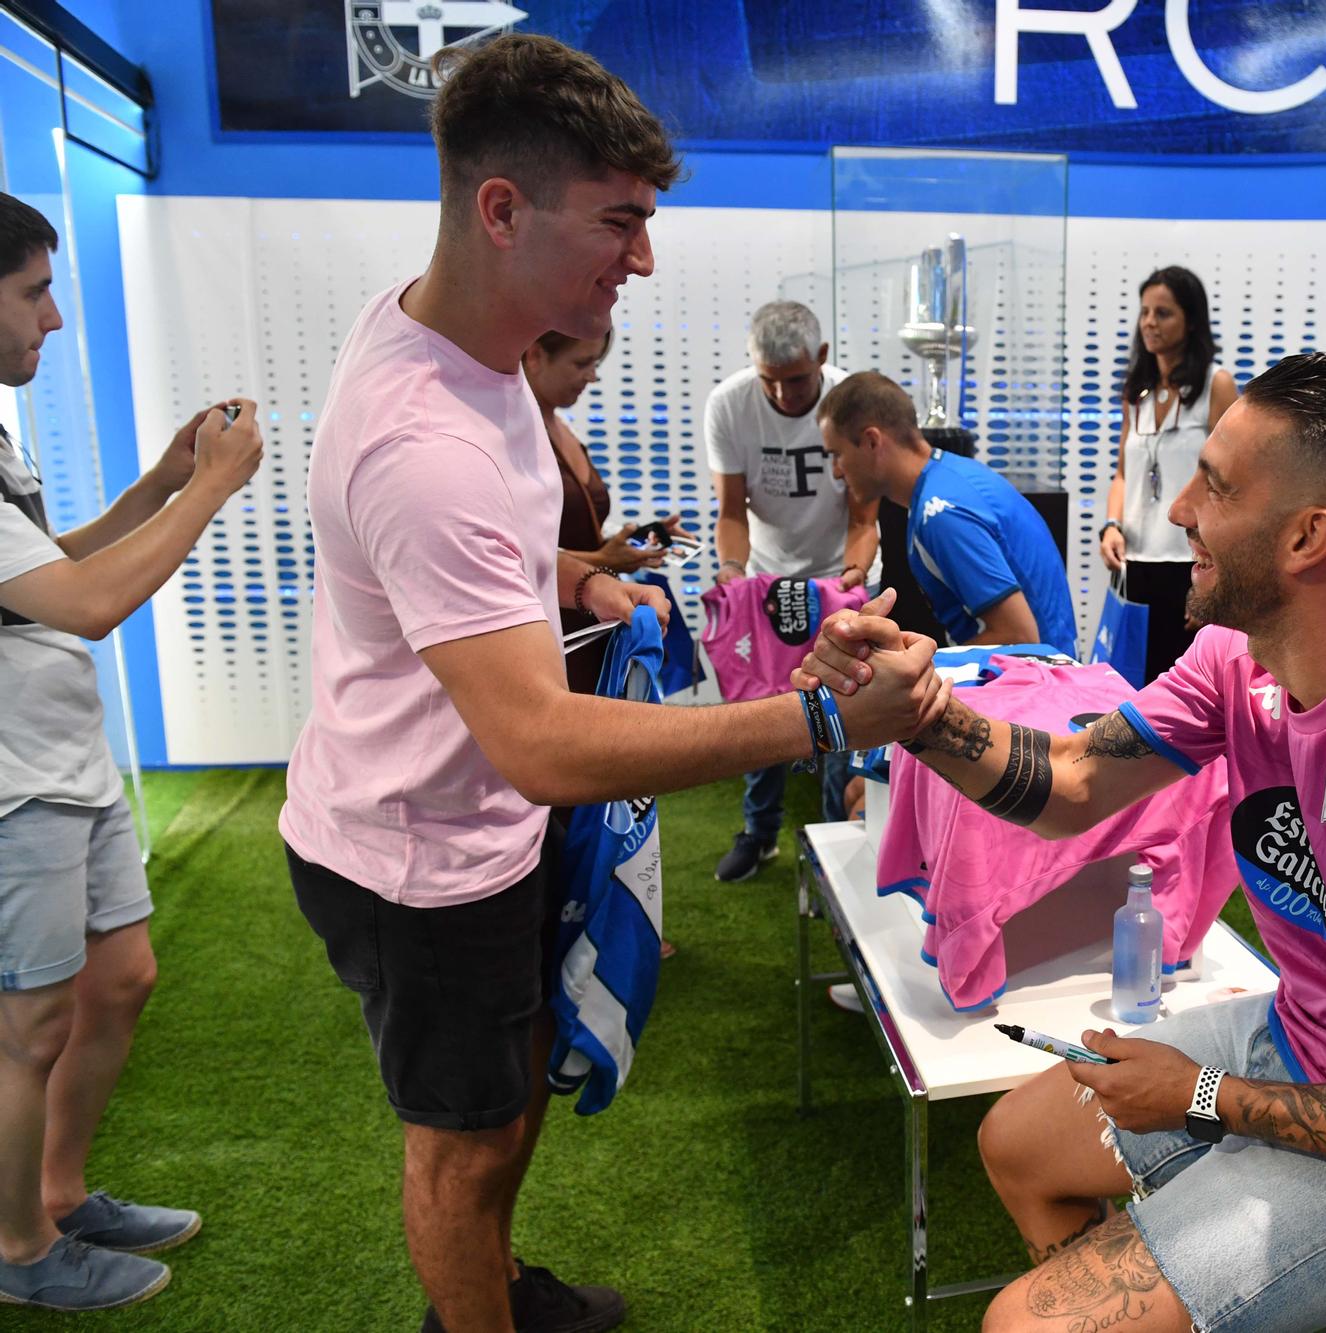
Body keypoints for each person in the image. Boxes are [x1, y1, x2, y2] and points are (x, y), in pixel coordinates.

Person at [276, 37, 946, 1333]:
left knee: (512, 1095)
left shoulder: (470, 362)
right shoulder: (431, 443)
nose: (642, 257)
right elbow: (539, 742)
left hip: (482, 827)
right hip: (418, 853)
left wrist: (583, 580)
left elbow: (501, 578)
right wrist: (818, 714)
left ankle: (499, 1286)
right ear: (502, 208)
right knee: (461, 1149)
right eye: (622, 220)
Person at [800, 353, 1326, 1333]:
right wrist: (920, 711)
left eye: (1214, 484)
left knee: (1022, 1325)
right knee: (1015, 1144)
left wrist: (1208, 1097)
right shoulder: (1242, 652)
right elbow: (1072, 784)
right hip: (1307, 1038)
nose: (1177, 506)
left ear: (1309, 537)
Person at [0, 191, 264, 1311]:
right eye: (32, 291)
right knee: (30, 1022)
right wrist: (209, 489)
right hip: (15, 782)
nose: (53, 319)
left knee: (121, 978)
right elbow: (86, 601)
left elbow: (39, 570)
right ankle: (16, 1251)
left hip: (64, 756)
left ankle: (57, 1191)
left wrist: (160, 484)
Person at [523, 326, 688, 960]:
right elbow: (519, 554)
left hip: (593, 624)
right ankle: (577, 929)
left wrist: (624, 547)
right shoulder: (512, 433)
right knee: (571, 785)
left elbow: (564, 535)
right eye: (582, 362)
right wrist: (604, 560)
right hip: (554, 629)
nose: (590, 376)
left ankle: (611, 917)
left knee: (602, 783)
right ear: (534, 354)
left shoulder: (552, 423)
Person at [705, 300, 876, 881]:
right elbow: (731, 511)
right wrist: (731, 566)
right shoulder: (729, 404)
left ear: (822, 359)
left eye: (796, 381)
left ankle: (832, 844)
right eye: (769, 382)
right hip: (766, 585)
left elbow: (864, 516)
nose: (781, 396)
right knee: (764, 713)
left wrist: (852, 575)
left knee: (841, 714)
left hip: (837, 580)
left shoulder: (851, 401)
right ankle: (760, 833)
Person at [817, 371, 1076, 653]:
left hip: (1040, 685)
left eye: (837, 454)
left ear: (871, 441)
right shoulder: (950, 476)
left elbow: (1020, 636)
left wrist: (918, 666)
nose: (837, 471)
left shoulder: (941, 514)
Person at [1098, 266, 1237, 682]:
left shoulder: (1217, 385)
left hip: (1190, 562)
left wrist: (1216, 568)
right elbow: (1122, 474)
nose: (1149, 323)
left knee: (1185, 688)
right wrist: (1110, 526)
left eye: (1163, 313)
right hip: (1136, 563)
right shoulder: (1135, 393)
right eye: (1144, 312)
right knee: (1128, 684)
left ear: (1191, 320)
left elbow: (1232, 485)